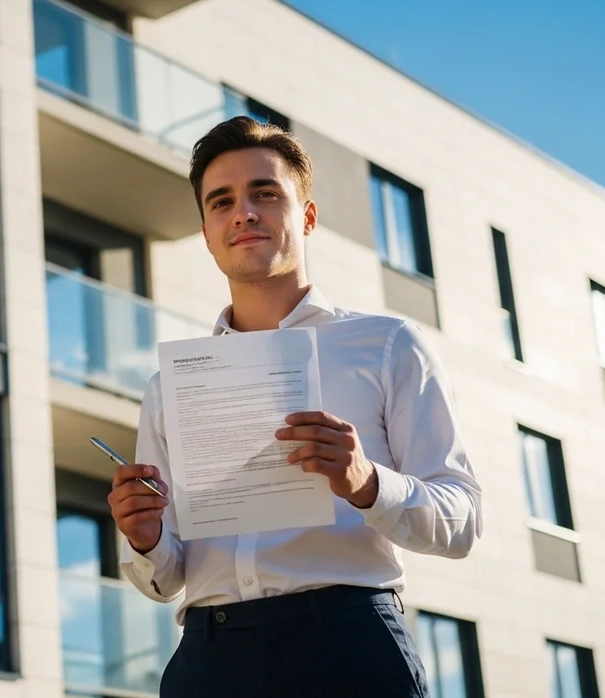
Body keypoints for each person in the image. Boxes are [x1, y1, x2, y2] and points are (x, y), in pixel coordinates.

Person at [108, 116, 483, 698]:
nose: (244, 213)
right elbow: (166, 578)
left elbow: (462, 520)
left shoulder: (388, 345)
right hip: (210, 661)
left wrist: (366, 483)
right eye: (222, 202)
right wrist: (145, 537)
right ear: (207, 233)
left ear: (306, 215)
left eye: (265, 193)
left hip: (349, 651)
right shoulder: (170, 386)